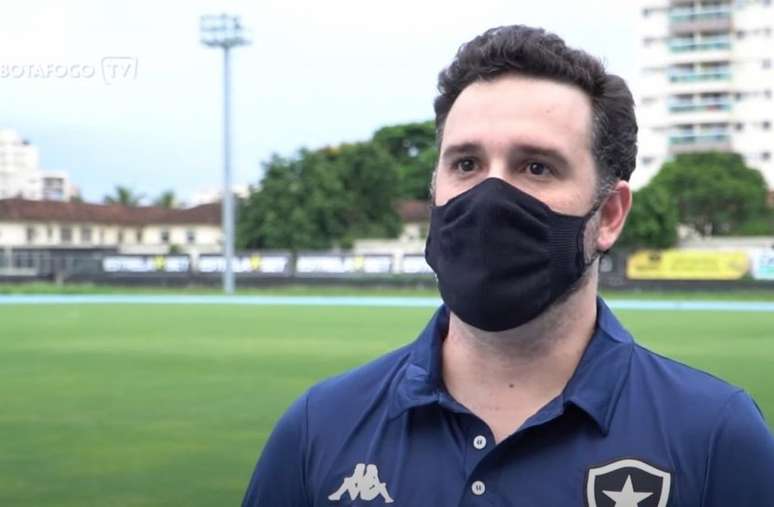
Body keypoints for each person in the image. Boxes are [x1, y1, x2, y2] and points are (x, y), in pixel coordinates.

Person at [242, 25, 774, 506]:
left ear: (609, 215)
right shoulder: (320, 427)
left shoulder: (715, 437)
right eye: (466, 164)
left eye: (536, 166)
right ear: (435, 189)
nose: (491, 195)